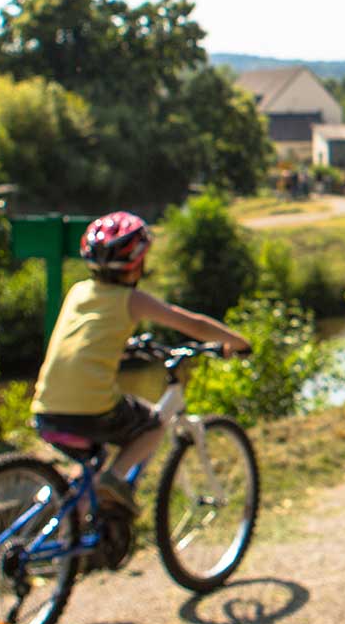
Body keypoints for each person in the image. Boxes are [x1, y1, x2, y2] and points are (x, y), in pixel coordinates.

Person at [30, 212, 251, 517]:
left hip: (46, 407)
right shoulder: (131, 300)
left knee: (95, 457)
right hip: (92, 409)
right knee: (154, 424)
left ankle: (77, 521)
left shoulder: (78, 292)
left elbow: (82, 344)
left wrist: (124, 349)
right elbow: (193, 325)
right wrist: (238, 342)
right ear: (138, 262)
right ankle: (114, 479)